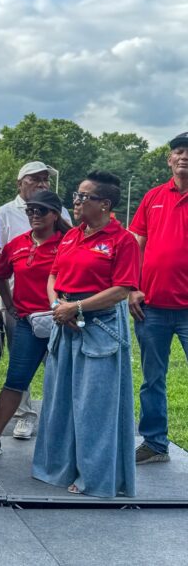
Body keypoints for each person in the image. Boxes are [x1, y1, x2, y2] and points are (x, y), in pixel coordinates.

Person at [33, 171, 139, 497]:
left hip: (100, 329)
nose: (76, 202)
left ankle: (94, 476)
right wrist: (57, 305)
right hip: (65, 325)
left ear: (105, 204)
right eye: (76, 196)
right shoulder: (71, 236)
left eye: (83, 197)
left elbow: (122, 289)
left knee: (94, 407)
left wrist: (76, 308)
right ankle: (58, 468)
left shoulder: (123, 241)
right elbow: (53, 275)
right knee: (59, 401)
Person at [0, 191, 71, 460]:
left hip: (61, 323)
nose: (34, 216)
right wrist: (8, 304)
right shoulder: (17, 244)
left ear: (55, 214)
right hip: (28, 323)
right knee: (15, 381)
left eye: (41, 211)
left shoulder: (68, 242)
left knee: (64, 384)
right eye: (30, 211)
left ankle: (63, 442)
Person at [129, 133, 188, 464]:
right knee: (153, 379)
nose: (184, 157)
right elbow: (137, 244)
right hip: (150, 308)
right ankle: (154, 444)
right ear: (169, 159)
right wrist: (131, 287)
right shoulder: (153, 197)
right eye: (178, 152)